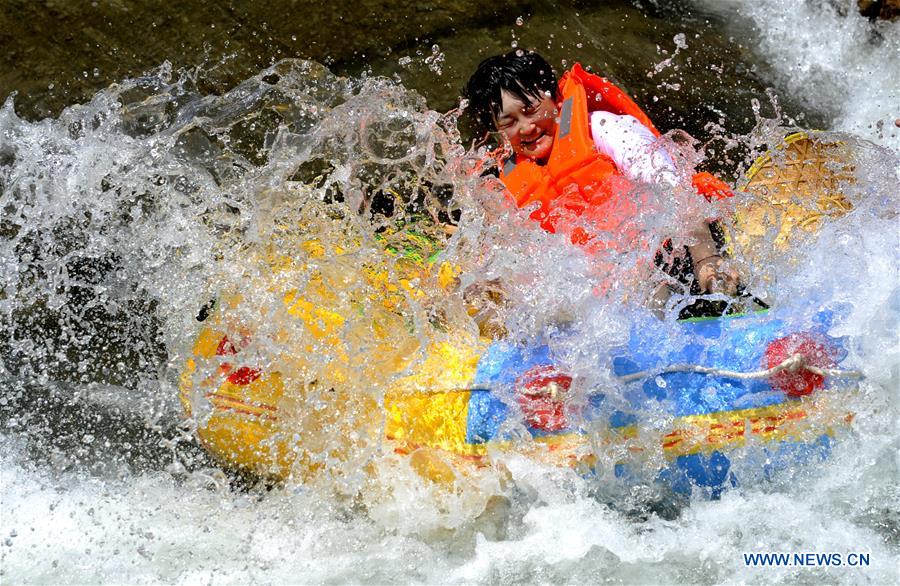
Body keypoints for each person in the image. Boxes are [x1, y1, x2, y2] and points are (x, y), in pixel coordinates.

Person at [463, 50, 740, 303]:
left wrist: (706, 261)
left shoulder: (606, 130)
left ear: (555, 98)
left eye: (531, 111)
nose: (526, 128)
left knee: (638, 276)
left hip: (677, 254)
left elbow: (678, 196)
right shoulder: (507, 180)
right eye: (509, 122)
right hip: (601, 285)